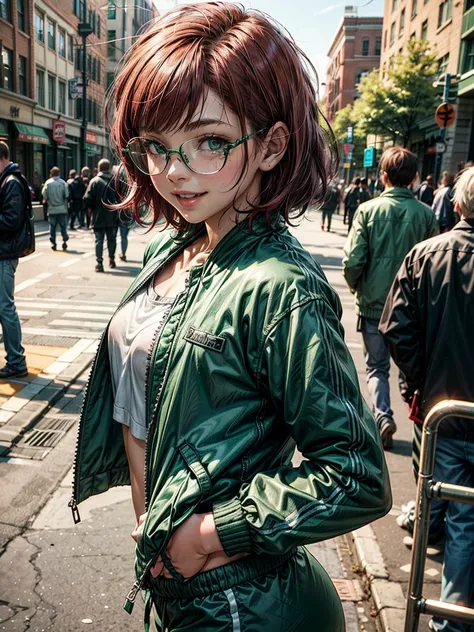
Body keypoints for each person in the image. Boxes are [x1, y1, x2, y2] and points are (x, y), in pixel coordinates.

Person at [69, 4, 392, 631]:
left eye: (209, 142)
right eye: (156, 148)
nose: (174, 171)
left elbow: (357, 474)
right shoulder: (182, 244)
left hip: (240, 603)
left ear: (271, 145)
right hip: (178, 590)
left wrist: (210, 534)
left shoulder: (282, 288)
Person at [380, 166, 474, 632]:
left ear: (457, 205)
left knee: (461, 518)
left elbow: (397, 328)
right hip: (450, 412)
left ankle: (451, 623)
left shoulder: (426, 256)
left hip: (447, 414)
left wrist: (420, 382)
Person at [342, 147, 438, 449]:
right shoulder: (426, 215)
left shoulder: (368, 211)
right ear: (414, 178)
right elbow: (432, 266)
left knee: (376, 367)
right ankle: (419, 422)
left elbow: (353, 260)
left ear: (383, 175)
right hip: (413, 307)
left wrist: (358, 287)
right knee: (411, 365)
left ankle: (382, 414)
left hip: (374, 304)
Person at [0, 142, 34, 379]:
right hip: (3, 253)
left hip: (4, 254)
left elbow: (10, 220)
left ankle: (16, 361)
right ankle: (14, 358)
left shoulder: (11, 182)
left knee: (5, 308)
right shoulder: (7, 180)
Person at [83, 159, 120, 272]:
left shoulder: (94, 181)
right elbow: (121, 198)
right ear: (109, 168)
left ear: (99, 168)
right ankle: (112, 259)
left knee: (99, 240)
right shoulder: (115, 181)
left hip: (98, 216)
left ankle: (99, 263)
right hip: (112, 217)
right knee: (112, 239)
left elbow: (87, 198)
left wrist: (93, 207)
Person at [42, 166, 69, 251]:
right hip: (62, 209)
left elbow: (44, 195)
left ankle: (53, 241)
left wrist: (47, 200)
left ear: (51, 174)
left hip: (52, 209)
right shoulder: (63, 183)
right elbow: (67, 195)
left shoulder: (48, 183)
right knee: (63, 226)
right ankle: (64, 240)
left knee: (52, 227)